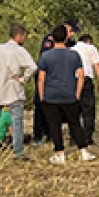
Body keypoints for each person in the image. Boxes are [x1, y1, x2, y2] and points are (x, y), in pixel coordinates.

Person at [0, 24, 38, 161]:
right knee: (16, 122)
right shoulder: (19, 50)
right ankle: (18, 151)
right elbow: (33, 67)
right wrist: (23, 79)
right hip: (13, 88)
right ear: (19, 36)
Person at [37, 25, 95, 165]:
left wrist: (42, 96)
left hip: (51, 95)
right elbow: (81, 76)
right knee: (74, 123)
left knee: (54, 125)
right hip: (69, 94)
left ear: (52, 38)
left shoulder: (46, 56)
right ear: (66, 38)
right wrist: (77, 93)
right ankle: (83, 151)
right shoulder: (73, 55)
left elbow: (41, 79)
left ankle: (60, 153)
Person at [33, 19, 79, 147]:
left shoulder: (71, 43)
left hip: (61, 79)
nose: (72, 34)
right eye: (71, 30)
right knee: (41, 106)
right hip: (46, 75)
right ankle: (38, 135)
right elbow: (46, 56)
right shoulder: (51, 38)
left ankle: (51, 134)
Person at [72, 33, 99, 142]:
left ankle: (74, 137)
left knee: (74, 110)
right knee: (88, 110)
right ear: (89, 41)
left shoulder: (72, 49)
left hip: (73, 80)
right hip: (86, 80)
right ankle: (87, 137)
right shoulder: (91, 48)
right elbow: (97, 65)